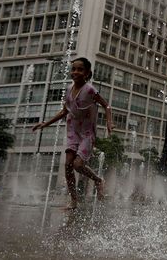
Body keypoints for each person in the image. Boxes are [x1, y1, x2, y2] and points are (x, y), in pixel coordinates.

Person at [32, 57, 113, 209]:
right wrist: (45, 123)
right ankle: (74, 201)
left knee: (77, 165)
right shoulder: (69, 89)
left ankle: (97, 180)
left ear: (87, 73)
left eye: (80, 69)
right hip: (73, 131)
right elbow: (64, 111)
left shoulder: (90, 90)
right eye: (73, 69)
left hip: (87, 133)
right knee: (68, 165)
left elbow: (106, 106)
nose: (75, 72)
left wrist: (109, 122)